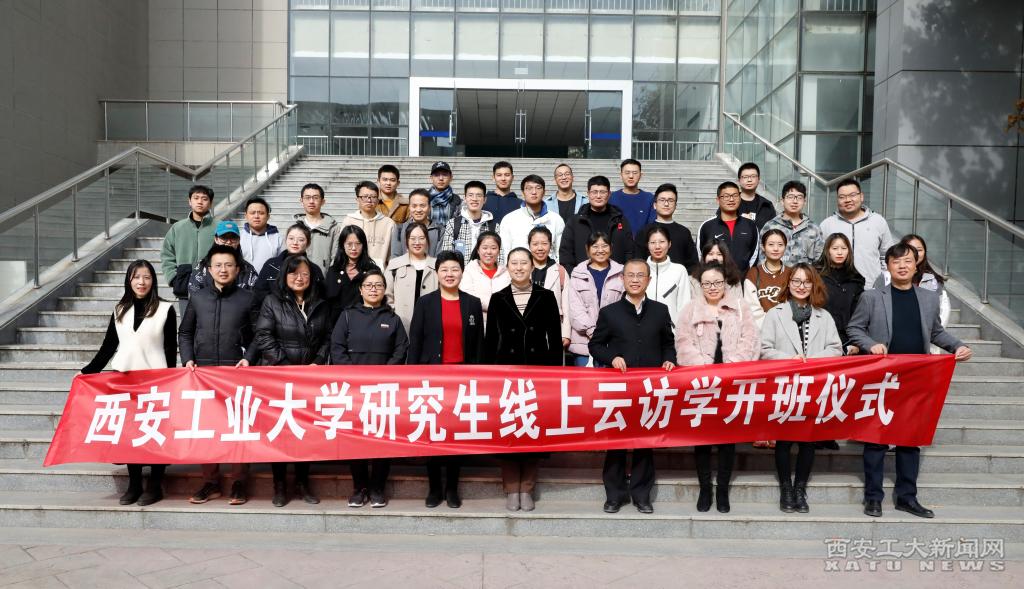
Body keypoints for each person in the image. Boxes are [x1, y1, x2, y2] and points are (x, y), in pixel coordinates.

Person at [847, 243, 972, 519]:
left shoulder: (928, 299)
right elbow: (854, 328)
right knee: (875, 440)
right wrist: (870, 344)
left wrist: (957, 346)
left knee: (909, 440)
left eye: (907, 261)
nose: (902, 266)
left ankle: (907, 497)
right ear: (888, 267)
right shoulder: (872, 297)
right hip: (882, 379)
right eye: (896, 262)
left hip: (915, 380)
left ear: (916, 266)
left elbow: (936, 332)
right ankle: (873, 498)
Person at [81, 260, 175, 506]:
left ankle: (154, 485)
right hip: (124, 381)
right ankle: (134, 485)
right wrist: (87, 372)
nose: (141, 282)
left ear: (153, 280)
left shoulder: (165, 309)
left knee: (153, 433)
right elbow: (108, 346)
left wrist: (170, 381)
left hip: (155, 381)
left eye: (146, 277)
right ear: (129, 280)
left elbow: (170, 348)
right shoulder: (119, 309)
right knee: (130, 435)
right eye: (136, 277)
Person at [590, 259, 676, 515]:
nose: (635, 280)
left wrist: (669, 359)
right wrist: (612, 358)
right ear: (622, 279)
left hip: (650, 388)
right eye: (630, 275)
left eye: (640, 275)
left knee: (644, 443)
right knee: (616, 442)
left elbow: (668, 343)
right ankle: (614, 495)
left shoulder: (660, 311)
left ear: (649, 279)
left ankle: (641, 495)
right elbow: (595, 345)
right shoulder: (610, 312)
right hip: (619, 388)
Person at [675, 261, 760, 514]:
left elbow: (750, 340)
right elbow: (683, 342)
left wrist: (732, 366)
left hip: (731, 383)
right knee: (702, 438)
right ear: (700, 286)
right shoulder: (690, 309)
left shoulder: (740, 307)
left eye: (717, 283)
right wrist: (701, 366)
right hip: (702, 384)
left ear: (725, 283)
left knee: (727, 439)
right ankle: (705, 488)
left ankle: (722, 489)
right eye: (707, 283)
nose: (712, 287)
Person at [179, 245, 260, 506]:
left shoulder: (248, 298)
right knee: (206, 428)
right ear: (209, 269)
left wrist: (249, 358)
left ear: (237, 269)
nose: (223, 270)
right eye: (218, 265)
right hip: (203, 374)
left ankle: (239, 482)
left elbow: (259, 334)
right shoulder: (198, 297)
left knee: (238, 427)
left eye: (228, 265)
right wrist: (187, 358)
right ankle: (210, 482)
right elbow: (185, 332)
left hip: (236, 373)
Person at [759, 263, 843, 513]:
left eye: (806, 281)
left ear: (813, 285)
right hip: (785, 385)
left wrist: (812, 361)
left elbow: (836, 349)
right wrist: (789, 360)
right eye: (796, 281)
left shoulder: (823, 316)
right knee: (784, 440)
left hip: (814, 386)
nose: (801, 286)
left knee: (808, 440)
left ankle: (800, 488)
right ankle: (786, 488)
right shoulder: (775, 314)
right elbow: (764, 349)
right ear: (788, 284)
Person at [484, 248, 563, 512]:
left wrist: (554, 377)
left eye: (523, 263)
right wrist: (489, 378)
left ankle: (527, 487)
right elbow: (490, 341)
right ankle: (511, 488)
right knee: (509, 431)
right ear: (507, 267)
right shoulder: (498, 298)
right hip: (506, 376)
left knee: (532, 431)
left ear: (532, 266)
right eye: (514, 263)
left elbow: (554, 341)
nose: (519, 268)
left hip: (538, 375)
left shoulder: (546, 296)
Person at [407, 251, 485, 508]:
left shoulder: (472, 303)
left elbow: (478, 344)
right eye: (444, 270)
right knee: (432, 432)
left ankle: (452, 488)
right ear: (437, 273)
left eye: (455, 269)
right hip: (431, 378)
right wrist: (413, 376)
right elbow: (415, 341)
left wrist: (478, 377)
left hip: (462, 379)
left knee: (456, 434)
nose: (450, 274)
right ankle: (434, 488)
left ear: (462, 272)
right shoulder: (425, 303)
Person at [253, 254, 331, 507]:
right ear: (284, 276)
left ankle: (302, 482)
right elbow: (263, 336)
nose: (299, 278)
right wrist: (286, 367)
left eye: (305, 274)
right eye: (294, 273)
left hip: (308, 379)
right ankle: (279, 485)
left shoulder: (320, 303)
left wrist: (317, 362)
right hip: (279, 378)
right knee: (280, 431)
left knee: (305, 431)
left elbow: (327, 337)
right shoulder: (272, 301)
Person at [332, 268, 410, 509]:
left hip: (384, 390)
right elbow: (337, 348)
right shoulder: (347, 315)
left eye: (378, 285)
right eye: (369, 285)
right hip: (354, 390)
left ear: (385, 290)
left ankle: (377, 488)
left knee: (382, 439)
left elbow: (401, 349)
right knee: (355, 440)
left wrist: (384, 374)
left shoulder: (393, 318)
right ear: (360, 289)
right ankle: (359, 488)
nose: (374, 289)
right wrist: (354, 376)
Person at [819, 178, 895, 289]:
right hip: (837, 289)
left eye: (852, 195)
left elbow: (888, 255)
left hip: (872, 288)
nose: (848, 200)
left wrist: (881, 282)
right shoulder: (827, 225)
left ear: (861, 196)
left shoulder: (878, 221)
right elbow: (821, 259)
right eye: (842, 197)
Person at [568, 233, 626, 366]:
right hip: (584, 344)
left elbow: (624, 306)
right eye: (595, 246)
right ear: (587, 249)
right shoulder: (577, 274)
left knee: (610, 380)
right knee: (585, 379)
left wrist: (607, 333)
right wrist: (594, 332)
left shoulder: (621, 273)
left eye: (604, 246)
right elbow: (575, 308)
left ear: (611, 248)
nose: (600, 250)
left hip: (612, 343)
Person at [159, 185, 216, 311]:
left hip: (212, 286)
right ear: (190, 201)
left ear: (210, 203)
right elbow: (167, 254)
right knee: (186, 321)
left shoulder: (218, 227)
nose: (200, 201)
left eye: (204, 199)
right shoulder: (177, 227)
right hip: (185, 285)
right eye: (196, 198)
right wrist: (173, 278)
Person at [559, 175, 635, 269]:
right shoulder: (575, 222)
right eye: (594, 192)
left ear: (609, 194)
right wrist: (574, 275)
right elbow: (566, 253)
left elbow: (629, 251)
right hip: (582, 276)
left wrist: (625, 273)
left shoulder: (620, 220)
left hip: (616, 275)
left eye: (602, 192)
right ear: (588, 194)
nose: (598, 196)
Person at [874, 234, 950, 326]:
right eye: (910, 248)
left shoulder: (933, 280)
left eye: (919, 250)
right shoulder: (886, 277)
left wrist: (930, 332)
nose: (915, 253)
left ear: (925, 252)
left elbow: (941, 311)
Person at [253, 224, 325, 311]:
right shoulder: (271, 265)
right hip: (273, 315)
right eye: (291, 238)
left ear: (308, 243)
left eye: (301, 240)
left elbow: (319, 299)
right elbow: (259, 294)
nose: (295, 243)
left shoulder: (314, 269)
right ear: (285, 240)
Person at [816, 233, 865, 356]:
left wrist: (856, 342)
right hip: (819, 335)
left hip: (847, 338)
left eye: (843, 248)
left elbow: (859, 314)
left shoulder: (856, 278)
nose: (839, 252)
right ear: (827, 250)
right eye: (835, 248)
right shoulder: (815, 274)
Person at [385, 222, 439, 333]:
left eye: (421, 238)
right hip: (400, 326)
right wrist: (393, 315)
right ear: (406, 241)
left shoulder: (437, 266)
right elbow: (386, 294)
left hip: (430, 325)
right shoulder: (395, 265)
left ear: (427, 241)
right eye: (412, 238)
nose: (417, 242)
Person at [691, 239, 761, 322]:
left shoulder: (734, 279)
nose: (714, 257)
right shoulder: (694, 280)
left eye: (719, 254)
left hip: (730, 323)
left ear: (725, 257)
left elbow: (740, 307)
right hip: (703, 322)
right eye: (710, 254)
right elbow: (693, 307)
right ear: (704, 257)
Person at [635, 183, 699, 272]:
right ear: (654, 205)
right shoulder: (644, 231)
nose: (666, 204)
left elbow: (693, 264)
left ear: (675, 205)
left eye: (670, 200)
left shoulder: (684, 232)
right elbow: (637, 262)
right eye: (662, 200)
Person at [698, 181, 759, 274]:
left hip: (742, 280)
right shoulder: (707, 226)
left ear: (740, 198)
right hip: (715, 279)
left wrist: (746, 276)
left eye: (735, 195)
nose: (731, 199)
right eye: (726, 196)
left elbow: (754, 255)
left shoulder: (750, 225)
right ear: (718, 200)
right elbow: (700, 255)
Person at [499, 174, 565, 259]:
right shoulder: (509, 219)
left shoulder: (556, 219)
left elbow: (560, 252)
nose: (534, 192)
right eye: (529, 188)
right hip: (519, 266)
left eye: (538, 188)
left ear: (544, 192)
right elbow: (505, 253)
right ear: (523, 193)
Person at [759, 180, 823, 267]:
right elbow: (762, 258)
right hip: (776, 275)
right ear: (782, 201)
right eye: (790, 197)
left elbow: (819, 261)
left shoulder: (814, 228)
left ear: (804, 202)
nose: (795, 201)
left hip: (805, 275)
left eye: (799, 197)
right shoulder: (770, 226)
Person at [187, 220, 259, 296]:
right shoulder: (202, 266)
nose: (228, 242)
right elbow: (194, 296)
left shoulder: (248, 269)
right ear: (216, 239)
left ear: (238, 240)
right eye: (224, 237)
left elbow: (254, 297)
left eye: (233, 237)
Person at [325, 225, 379, 325]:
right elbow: (327, 303)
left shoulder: (372, 271)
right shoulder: (334, 271)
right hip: (336, 326)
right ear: (342, 245)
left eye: (358, 244)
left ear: (363, 245)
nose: (354, 248)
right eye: (349, 244)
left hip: (365, 324)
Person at [527, 226, 571, 351]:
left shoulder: (560, 271)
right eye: (535, 244)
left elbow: (567, 305)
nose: (540, 248)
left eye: (544, 243)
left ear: (550, 245)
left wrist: (566, 334)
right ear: (529, 245)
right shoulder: (522, 269)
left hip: (553, 331)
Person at [645, 225, 692, 327]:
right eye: (653, 242)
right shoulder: (640, 270)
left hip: (671, 332)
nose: (657, 246)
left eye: (662, 242)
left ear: (669, 244)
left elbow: (684, 306)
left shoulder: (679, 270)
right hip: (643, 331)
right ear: (647, 245)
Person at [341, 180, 395, 268]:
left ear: (378, 200)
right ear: (357, 200)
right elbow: (342, 249)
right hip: (354, 271)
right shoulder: (349, 221)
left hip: (380, 273)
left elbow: (392, 255)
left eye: (373, 197)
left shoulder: (389, 223)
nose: (369, 200)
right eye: (365, 197)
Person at [459, 231, 510, 324]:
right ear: (478, 250)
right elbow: (470, 298)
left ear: (499, 251)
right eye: (485, 248)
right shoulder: (468, 271)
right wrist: (499, 305)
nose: (489, 252)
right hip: (476, 322)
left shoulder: (506, 273)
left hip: (503, 323)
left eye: (493, 248)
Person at [438, 180, 497, 259]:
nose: (474, 199)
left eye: (479, 195)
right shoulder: (453, 224)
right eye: (470, 195)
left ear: (484, 199)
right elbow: (447, 257)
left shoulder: (493, 226)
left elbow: (499, 256)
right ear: (465, 198)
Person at [293, 182, 341, 274]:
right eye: (307, 197)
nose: (311, 201)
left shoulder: (333, 228)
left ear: (323, 201)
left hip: (324, 278)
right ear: (301, 200)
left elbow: (335, 258)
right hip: (299, 278)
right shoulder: (295, 227)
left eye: (315, 198)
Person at [744, 229, 792, 319]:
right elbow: (752, 308)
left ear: (785, 247)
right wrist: (768, 324)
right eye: (771, 244)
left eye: (780, 245)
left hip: (786, 324)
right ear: (763, 247)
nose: (776, 249)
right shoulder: (753, 273)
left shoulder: (791, 273)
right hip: (760, 325)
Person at [610, 158, 655, 237]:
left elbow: (652, 226)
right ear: (621, 175)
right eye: (627, 173)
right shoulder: (612, 198)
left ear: (640, 175)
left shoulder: (649, 198)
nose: (631, 176)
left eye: (635, 173)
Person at [391, 189, 441, 259]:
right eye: (414, 206)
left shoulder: (439, 230)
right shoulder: (400, 229)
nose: (418, 210)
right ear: (409, 207)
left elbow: (440, 259)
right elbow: (395, 257)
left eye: (422, 206)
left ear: (429, 208)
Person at [239, 196, 281, 274]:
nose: (256, 216)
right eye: (252, 213)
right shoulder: (238, 237)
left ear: (268, 216)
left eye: (261, 213)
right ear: (246, 216)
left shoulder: (278, 238)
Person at [736, 162, 776, 230]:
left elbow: (773, 231)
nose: (749, 180)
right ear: (739, 180)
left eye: (753, 176)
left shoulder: (767, 205)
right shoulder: (730, 202)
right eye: (745, 177)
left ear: (758, 179)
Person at [427, 161, 461, 228]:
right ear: (431, 178)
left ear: (451, 177)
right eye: (437, 175)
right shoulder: (424, 199)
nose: (441, 178)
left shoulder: (457, 200)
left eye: (444, 175)